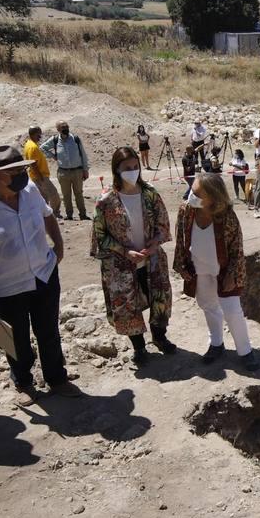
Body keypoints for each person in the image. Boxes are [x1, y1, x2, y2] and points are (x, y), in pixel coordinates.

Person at [0, 145, 73, 406]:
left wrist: (58, 246)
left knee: (49, 331)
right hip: (7, 286)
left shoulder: (29, 190)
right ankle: (23, 382)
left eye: (23, 169)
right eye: (16, 171)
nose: (23, 174)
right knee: (15, 338)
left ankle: (57, 378)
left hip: (44, 275)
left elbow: (48, 215)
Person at [91, 147, 177, 366]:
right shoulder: (106, 200)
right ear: (116, 170)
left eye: (135, 167)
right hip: (121, 266)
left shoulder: (150, 194)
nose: (132, 171)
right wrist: (125, 251)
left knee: (160, 300)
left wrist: (155, 243)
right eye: (126, 168)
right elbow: (99, 237)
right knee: (128, 306)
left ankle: (160, 337)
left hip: (152, 260)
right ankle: (139, 348)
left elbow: (163, 225)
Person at [174, 173, 258, 371]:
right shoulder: (186, 211)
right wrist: (181, 265)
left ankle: (245, 351)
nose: (190, 196)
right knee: (208, 305)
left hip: (223, 270)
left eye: (196, 193)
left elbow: (237, 248)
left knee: (232, 310)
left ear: (212, 197)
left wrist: (232, 274)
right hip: (199, 268)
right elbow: (180, 238)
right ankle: (216, 344)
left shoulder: (226, 216)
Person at [43, 120, 90, 221]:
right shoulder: (55, 140)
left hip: (77, 171)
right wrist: (53, 156)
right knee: (66, 195)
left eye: (67, 127)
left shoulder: (75, 139)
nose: (66, 129)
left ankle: (83, 215)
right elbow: (42, 148)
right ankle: (69, 215)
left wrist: (85, 169)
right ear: (58, 129)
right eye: (63, 127)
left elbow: (83, 155)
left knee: (79, 193)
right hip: (63, 172)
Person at [24, 126, 62, 219]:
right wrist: (40, 177)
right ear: (33, 134)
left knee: (44, 197)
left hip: (38, 176)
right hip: (40, 176)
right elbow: (33, 164)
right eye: (38, 134)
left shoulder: (30, 144)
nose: (40, 137)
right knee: (54, 195)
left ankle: (45, 215)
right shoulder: (32, 147)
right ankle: (54, 213)